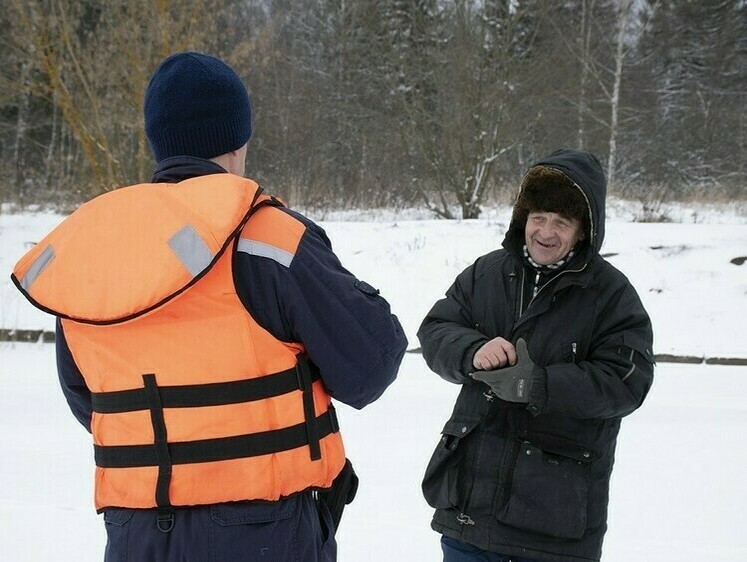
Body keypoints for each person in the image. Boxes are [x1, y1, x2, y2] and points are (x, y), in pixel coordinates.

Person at [11, 52, 407, 562]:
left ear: (158, 141)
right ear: (238, 141)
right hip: (266, 530)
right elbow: (370, 366)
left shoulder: (93, 252)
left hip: (137, 534)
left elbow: (89, 402)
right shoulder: (269, 239)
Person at [418, 149, 654, 562]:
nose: (546, 232)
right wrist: (472, 350)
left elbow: (626, 382)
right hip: (467, 516)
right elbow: (436, 330)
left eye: (562, 222)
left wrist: (538, 384)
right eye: (539, 217)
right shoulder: (486, 273)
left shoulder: (612, 296)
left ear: (584, 231)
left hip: (552, 530)